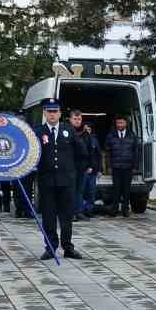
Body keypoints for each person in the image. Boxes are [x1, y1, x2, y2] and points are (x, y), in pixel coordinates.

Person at [33, 97, 86, 261]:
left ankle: (68, 247)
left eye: (55, 111)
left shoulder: (68, 130)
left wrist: (74, 172)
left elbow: (82, 153)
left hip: (66, 181)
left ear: (60, 113)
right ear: (45, 113)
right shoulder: (38, 132)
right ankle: (50, 247)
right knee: (48, 216)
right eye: (49, 112)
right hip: (47, 181)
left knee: (66, 216)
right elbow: (33, 154)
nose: (52, 115)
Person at [106, 114, 143, 217]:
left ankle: (125, 209)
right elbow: (108, 152)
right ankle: (114, 209)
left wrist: (135, 166)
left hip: (128, 167)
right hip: (116, 167)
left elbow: (136, 152)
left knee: (126, 189)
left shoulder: (132, 135)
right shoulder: (111, 135)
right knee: (116, 189)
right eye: (118, 123)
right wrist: (109, 166)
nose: (119, 125)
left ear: (126, 123)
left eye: (121, 122)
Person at [73, 110, 98, 219]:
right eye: (75, 118)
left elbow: (91, 152)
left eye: (79, 119)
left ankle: (78, 211)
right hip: (69, 167)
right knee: (69, 190)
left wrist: (90, 166)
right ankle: (69, 212)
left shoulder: (86, 134)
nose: (77, 121)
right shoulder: (66, 131)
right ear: (70, 119)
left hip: (82, 168)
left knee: (80, 191)